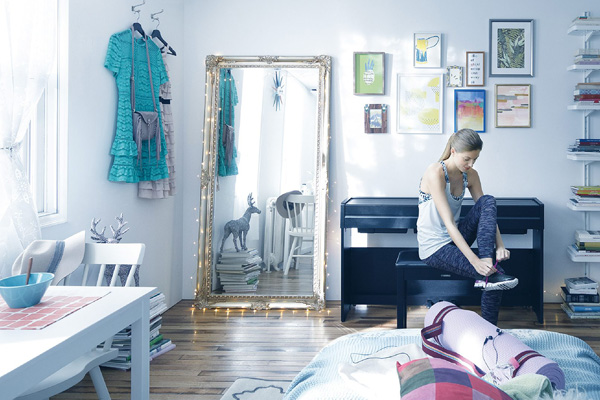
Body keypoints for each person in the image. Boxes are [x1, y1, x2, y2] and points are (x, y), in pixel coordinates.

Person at [416, 128, 518, 325]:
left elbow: (487, 212)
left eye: (475, 159)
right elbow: (449, 223)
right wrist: (474, 261)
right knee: (496, 275)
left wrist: (500, 245)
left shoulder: (470, 175)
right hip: (434, 247)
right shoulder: (435, 172)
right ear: (453, 151)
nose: (470, 164)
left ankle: (487, 261)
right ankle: (489, 329)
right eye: (467, 159)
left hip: (455, 239)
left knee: (488, 200)